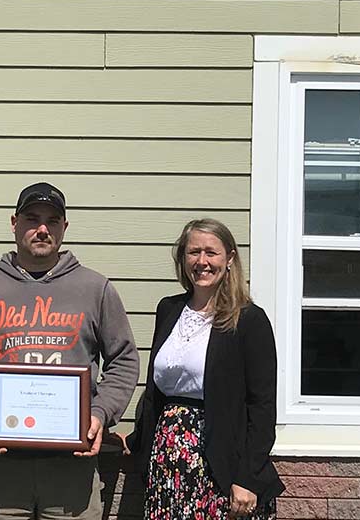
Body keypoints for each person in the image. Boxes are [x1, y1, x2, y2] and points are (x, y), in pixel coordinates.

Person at [0, 182, 140, 520]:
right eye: (32, 218)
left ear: (64, 228)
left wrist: (100, 414)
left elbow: (124, 360)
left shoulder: (95, 289)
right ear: (14, 223)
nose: (42, 229)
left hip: (71, 469)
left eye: (53, 221)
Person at [127, 218, 284, 520]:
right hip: (167, 463)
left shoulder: (248, 320)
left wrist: (247, 478)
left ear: (229, 259)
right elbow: (156, 391)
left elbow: (262, 407)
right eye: (193, 252)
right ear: (182, 259)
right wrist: (137, 440)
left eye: (211, 253)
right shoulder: (169, 309)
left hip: (221, 466)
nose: (202, 262)